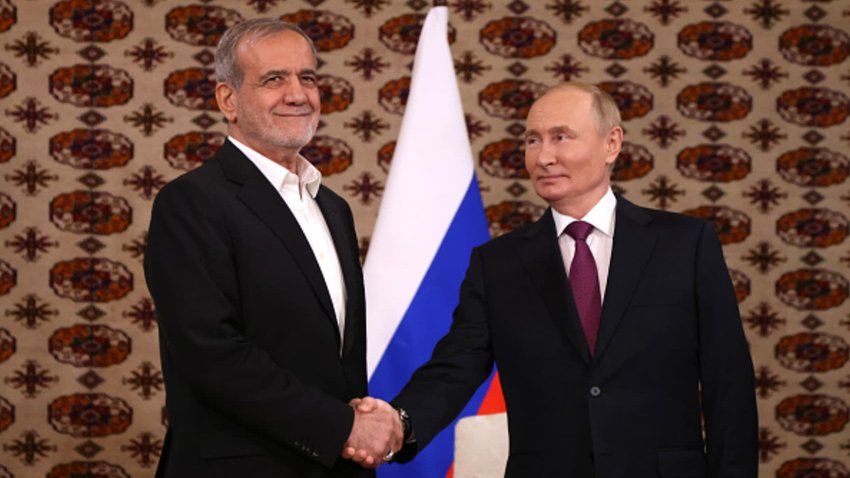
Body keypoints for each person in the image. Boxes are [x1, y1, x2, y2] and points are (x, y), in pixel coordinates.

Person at [354, 82, 758, 477]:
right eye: (532, 141)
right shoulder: (497, 264)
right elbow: (455, 368)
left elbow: (730, 387)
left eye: (561, 137)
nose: (544, 156)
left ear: (612, 144)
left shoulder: (686, 245)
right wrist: (398, 422)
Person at [144, 18, 400, 477]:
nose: (298, 94)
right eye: (274, 79)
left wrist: (358, 431)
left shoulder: (333, 208)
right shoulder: (191, 202)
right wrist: (343, 427)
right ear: (228, 99)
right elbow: (211, 353)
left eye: (308, 78)